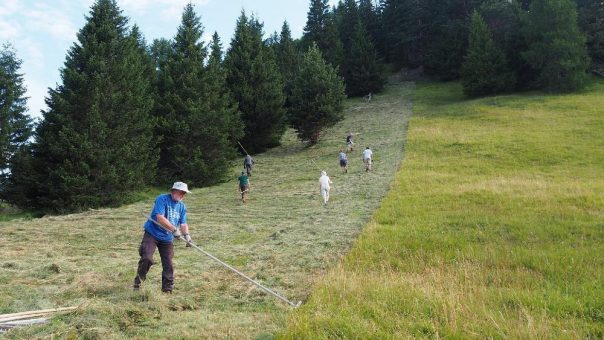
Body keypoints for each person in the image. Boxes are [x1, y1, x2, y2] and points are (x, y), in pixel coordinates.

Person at [134, 182, 192, 293]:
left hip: (167, 238)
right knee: (147, 258)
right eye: (181, 192)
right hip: (153, 233)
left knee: (168, 264)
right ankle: (138, 284)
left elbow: (183, 224)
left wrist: (187, 235)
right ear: (173, 191)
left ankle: (167, 290)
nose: (182, 195)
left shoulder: (182, 207)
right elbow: (159, 217)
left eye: (184, 193)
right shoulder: (162, 199)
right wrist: (174, 229)